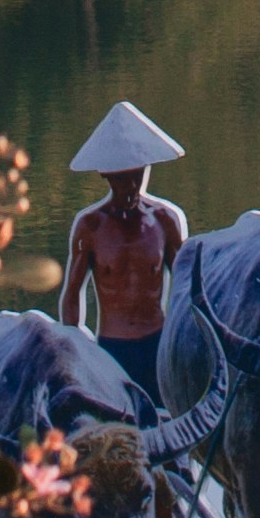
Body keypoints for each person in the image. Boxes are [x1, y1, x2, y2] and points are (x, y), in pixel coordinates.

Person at [57, 99, 189, 402]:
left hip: (158, 344)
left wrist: (185, 340)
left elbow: (185, 286)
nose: (130, 186)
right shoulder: (90, 227)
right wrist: (76, 347)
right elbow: (72, 293)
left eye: (136, 176)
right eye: (121, 178)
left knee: (165, 424)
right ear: (106, 176)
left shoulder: (164, 221)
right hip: (113, 347)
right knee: (117, 429)